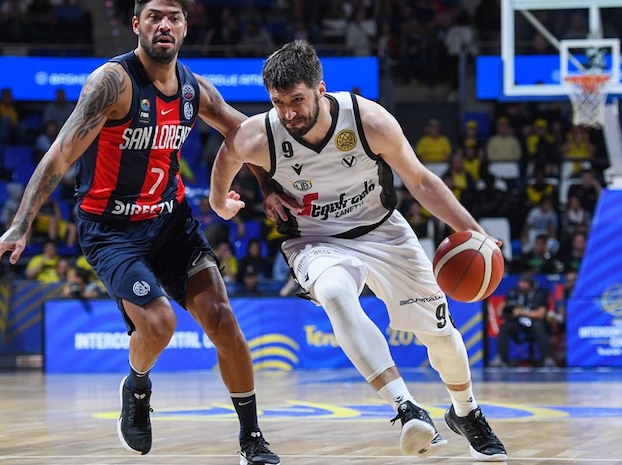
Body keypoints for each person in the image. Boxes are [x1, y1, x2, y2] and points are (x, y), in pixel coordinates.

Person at [0, 1, 280, 463]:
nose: (164, 25)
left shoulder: (194, 89)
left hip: (171, 222)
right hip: (112, 229)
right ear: (136, 24)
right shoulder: (113, 83)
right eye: (155, 16)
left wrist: (268, 188)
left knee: (224, 322)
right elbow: (61, 154)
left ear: (185, 27)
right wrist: (21, 224)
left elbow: (245, 135)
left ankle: (251, 439)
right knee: (160, 324)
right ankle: (137, 386)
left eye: (174, 17)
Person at [209, 40, 507, 462]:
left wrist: (474, 232)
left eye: (296, 100)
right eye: (278, 103)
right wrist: (220, 202)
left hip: (383, 231)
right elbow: (227, 154)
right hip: (314, 240)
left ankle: (466, 412)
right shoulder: (262, 134)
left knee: (441, 337)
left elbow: (420, 181)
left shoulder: (368, 120)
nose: (289, 113)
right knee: (334, 293)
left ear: (320, 89)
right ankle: (406, 407)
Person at [490, 273, 557, 368]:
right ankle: (501, 358)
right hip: (517, 322)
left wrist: (521, 312)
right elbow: (500, 310)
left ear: (531, 283)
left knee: (539, 327)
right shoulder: (513, 292)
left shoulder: (540, 293)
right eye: (520, 282)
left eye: (525, 283)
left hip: (534, 322)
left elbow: (541, 314)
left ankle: (547, 358)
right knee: (505, 327)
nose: (522, 285)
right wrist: (504, 310)